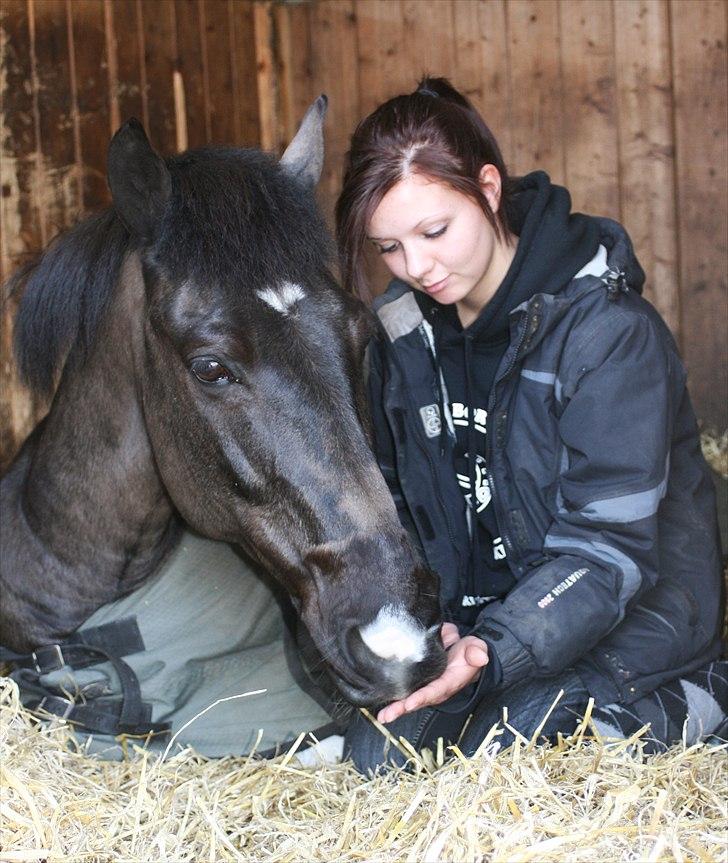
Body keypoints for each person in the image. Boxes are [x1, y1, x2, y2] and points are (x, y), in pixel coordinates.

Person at [335, 77, 727, 774]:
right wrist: (437, 632)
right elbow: (394, 506)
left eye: (434, 232)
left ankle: (706, 693)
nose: (416, 267)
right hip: (485, 623)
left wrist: (491, 653)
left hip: (633, 609)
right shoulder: (402, 336)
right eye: (388, 247)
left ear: (488, 189)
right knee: (379, 757)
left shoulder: (608, 334)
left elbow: (609, 552)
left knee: (509, 755)